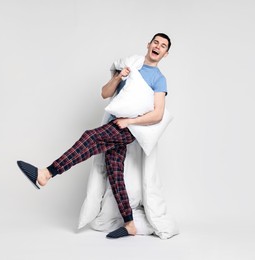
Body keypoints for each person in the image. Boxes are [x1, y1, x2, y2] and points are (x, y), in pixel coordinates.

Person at [17, 33, 171, 239]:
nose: (158, 47)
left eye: (163, 46)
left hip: (129, 128)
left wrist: (129, 122)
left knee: (90, 137)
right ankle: (130, 224)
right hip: (114, 122)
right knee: (115, 173)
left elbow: (158, 114)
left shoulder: (159, 80)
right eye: (156, 42)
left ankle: (46, 174)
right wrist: (118, 77)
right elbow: (105, 93)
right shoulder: (131, 65)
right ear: (148, 44)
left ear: (165, 53)